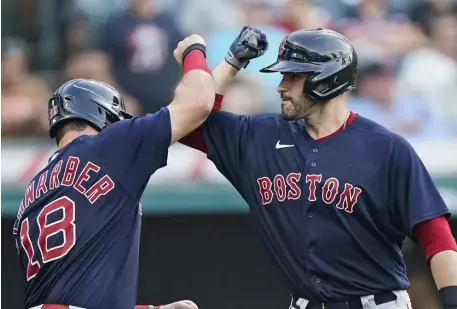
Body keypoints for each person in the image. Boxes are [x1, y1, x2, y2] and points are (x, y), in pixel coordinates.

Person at [181, 26, 457, 309]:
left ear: (325, 80)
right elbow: (187, 122)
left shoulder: (385, 148)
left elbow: (436, 236)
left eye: (293, 76)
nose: (281, 86)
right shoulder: (259, 137)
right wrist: (231, 62)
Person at [13, 34, 215, 309]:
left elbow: (75, 293)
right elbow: (198, 103)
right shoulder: (109, 147)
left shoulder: (31, 192)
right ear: (104, 114)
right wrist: (194, 49)